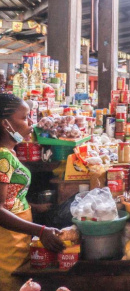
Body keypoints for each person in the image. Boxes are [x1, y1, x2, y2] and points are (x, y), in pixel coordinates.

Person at [0, 94, 65, 288]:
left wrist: (35, 208)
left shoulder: (9, 152)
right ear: (6, 124)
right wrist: (41, 231)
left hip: (17, 240)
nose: (31, 123)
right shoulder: (2, 157)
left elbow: (10, 195)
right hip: (6, 246)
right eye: (24, 118)